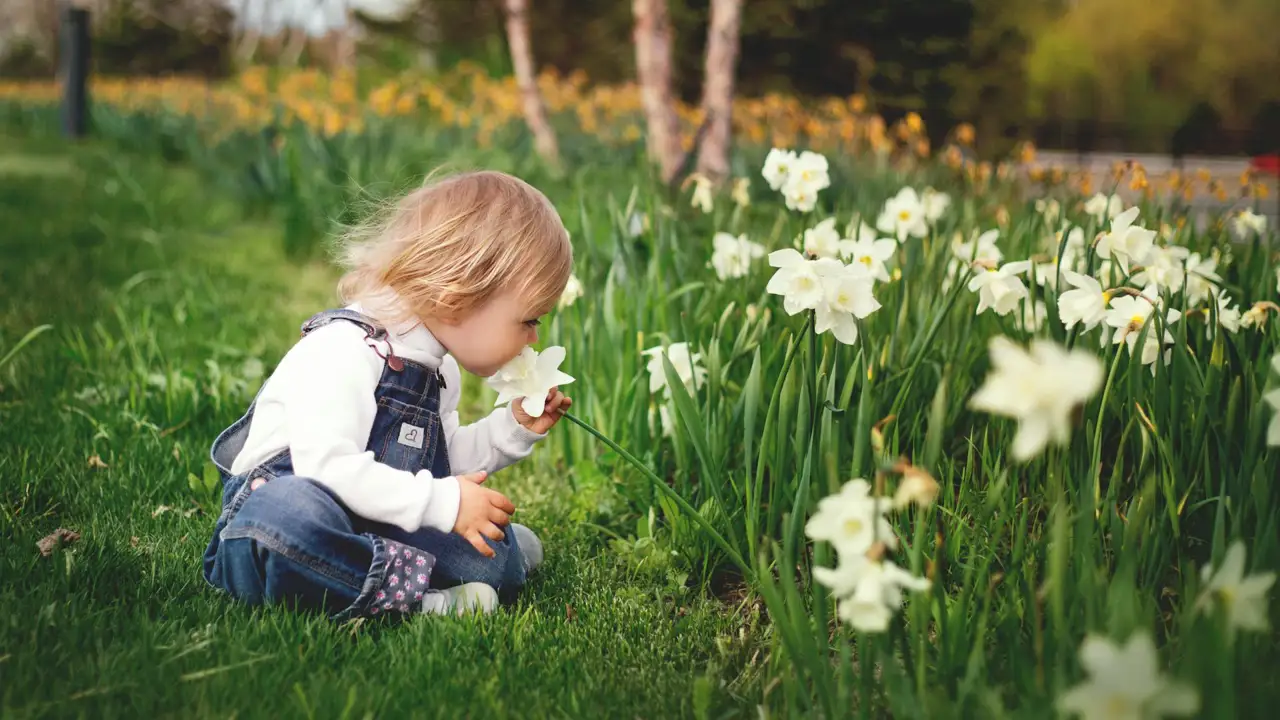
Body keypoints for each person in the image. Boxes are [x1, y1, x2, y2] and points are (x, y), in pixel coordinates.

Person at [201, 170, 573, 620]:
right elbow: (327, 469)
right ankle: (417, 602)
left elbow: (440, 461)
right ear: (460, 296)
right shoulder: (345, 349)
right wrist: (444, 503)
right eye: (529, 320)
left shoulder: (438, 370)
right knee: (288, 519)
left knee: (496, 560)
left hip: (372, 517)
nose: (532, 339)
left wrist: (511, 429)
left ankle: (394, 572)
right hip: (288, 519)